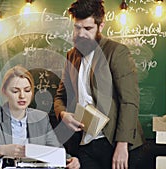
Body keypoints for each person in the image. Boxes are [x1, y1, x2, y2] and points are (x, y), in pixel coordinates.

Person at [54, 0, 144, 169]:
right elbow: (60, 96)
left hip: (114, 143)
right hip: (83, 143)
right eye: (77, 27)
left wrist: (122, 144)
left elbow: (129, 101)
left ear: (100, 26)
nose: (81, 33)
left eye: (88, 29)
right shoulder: (71, 55)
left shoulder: (117, 52)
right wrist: (63, 114)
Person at [0, 65, 80, 169]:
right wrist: (0, 150)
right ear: (4, 91)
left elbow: (56, 150)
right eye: (15, 91)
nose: (22, 96)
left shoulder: (41, 117)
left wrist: (70, 160)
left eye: (27, 90)